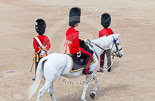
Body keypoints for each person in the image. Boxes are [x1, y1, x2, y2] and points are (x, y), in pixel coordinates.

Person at [64, 7, 93, 75]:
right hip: (73, 49)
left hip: (67, 48)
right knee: (89, 55)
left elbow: (71, 39)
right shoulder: (75, 31)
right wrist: (78, 51)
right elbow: (76, 43)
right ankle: (86, 70)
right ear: (75, 23)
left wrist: (81, 40)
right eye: (77, 22)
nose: (77, 23)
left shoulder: (68, 30)